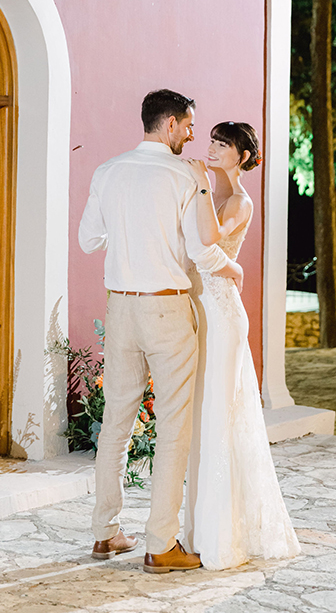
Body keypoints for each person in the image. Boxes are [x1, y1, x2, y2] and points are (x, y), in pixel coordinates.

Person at [78, 90, 243, 574]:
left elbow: (90, 240)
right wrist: (230, 267)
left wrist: (129, 235)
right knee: (173, 429)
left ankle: (106, 534)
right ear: (170, 124)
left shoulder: (106, 171)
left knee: (116, 425)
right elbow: (201, 251)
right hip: (167, 311)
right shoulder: (182, 176)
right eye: (190, 126)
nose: (193, 135)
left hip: (121, 310)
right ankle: (159, 544)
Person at [183, 121, 300, 570]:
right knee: (202, 416)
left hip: (224, 314)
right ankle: (198, 528)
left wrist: (197, 186)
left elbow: (212, 239)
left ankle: (222, 534)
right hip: (197, 307)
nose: (211, 148)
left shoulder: (239, 201)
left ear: (242, 156)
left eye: (223, 144)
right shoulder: (207, 195)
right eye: (211, 141)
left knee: (220, 414)